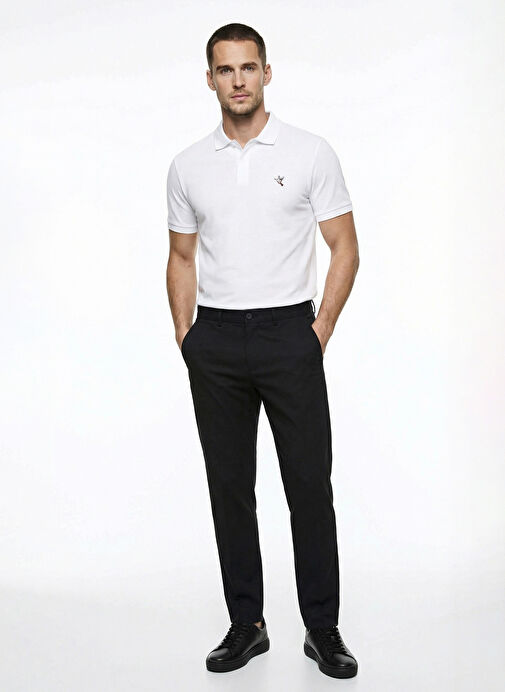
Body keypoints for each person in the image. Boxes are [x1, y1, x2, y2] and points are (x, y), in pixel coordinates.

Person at [165, 22, 359, 679]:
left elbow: (345, 247)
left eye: (248, 67)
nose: (238, 80)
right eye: (225, 70)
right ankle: (247, 624)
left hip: (287, 333)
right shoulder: (188, 165)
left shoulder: (309, 153)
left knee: (308, 487)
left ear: (266, 73)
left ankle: (322, 628)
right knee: (230, 490)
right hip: (216, 339)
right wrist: (187, 336)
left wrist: (318, 331)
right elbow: (181, 256)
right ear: (210, 79)